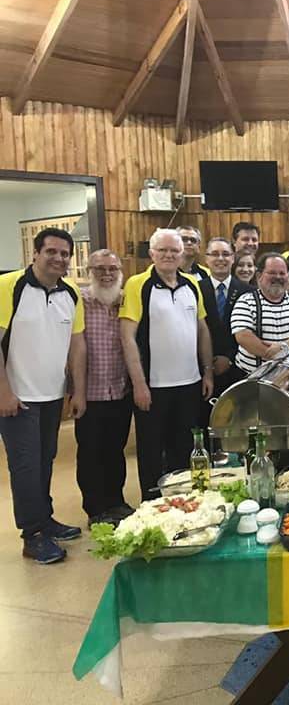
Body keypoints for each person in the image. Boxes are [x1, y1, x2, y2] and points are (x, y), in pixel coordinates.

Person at [0, 228, 85, 564]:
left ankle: (44, 519)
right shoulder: (10, 287)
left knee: (45, 459)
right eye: (51, 251)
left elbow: (77, 345)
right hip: (17, 398)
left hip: (52, 396)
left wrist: (77, 389)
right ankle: (32, 535)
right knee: (25, 466)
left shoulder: (71, 292)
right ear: (35, 254)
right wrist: (4, 392)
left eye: (65, 254)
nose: (59, 258)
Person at [120, 228, 214, 500]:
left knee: (183, 449)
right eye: (162, 250)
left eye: (174, 250)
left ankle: (185, 503)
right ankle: (152, 505)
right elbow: (127, 336)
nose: (169, 255)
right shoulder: (138, 284)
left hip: (190, 383)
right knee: (150, 451)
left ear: (182, 253)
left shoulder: (192, 285)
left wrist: (207, 372)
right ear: (151, 254)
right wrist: (139, 383)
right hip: (153, 387)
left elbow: (202, 330)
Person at [75, 249, 135, 527]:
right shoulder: (80, 301)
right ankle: (95, 509)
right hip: (90, 393)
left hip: (120, 390)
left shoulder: (125, 300)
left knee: (115, 449)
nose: (107, 274)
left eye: (112, 269)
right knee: (90, 453)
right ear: (90, 271)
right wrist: (75, 391)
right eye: (100, 269)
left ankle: (116, 501)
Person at [231, 252, 289, 375]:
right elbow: (243, 337)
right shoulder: (245, 300)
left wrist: (283, 347)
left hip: (288, 377)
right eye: (272, 273)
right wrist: (277, 356)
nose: (278, 277)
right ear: (259, 276)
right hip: (251, 377)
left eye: (282, 273)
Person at [199, 237, 253, 395]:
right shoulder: (195, 289)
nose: (220, 258)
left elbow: (252, 331)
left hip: (238, 370)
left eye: (225, 254)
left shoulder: (248, 291)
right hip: (202, 371)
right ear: (206, 259)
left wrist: (229, 358)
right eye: (215, 254)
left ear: (233, 258)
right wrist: (208, 364)